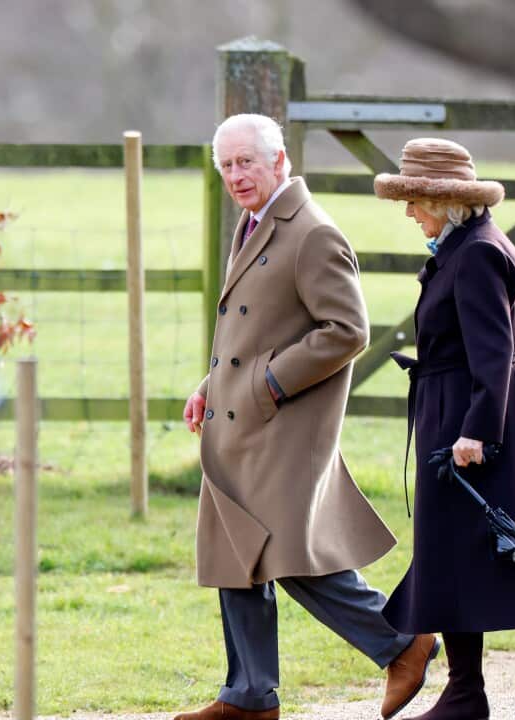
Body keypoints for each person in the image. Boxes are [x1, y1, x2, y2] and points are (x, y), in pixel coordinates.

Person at [175, 114, 439, 720]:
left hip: (282, 426)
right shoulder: (253, 224)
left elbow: (347, 330)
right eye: (227, 165)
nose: (236, 175)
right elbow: (251, 328)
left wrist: (267, 383)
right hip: (238, 421)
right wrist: (211, 383)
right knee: (235, 552)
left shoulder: (311, 232)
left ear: (279, 161)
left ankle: (404, 643)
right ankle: (248, 696)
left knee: (280, 553)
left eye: (247, 162)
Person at [373, 138, 515, 719]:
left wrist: (475, 433)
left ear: (445, 200)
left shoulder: (475, 254)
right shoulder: (462, 245)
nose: (408, 212)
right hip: (455, 406)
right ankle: (493, 679)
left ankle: (505, 673)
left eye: (414, 199)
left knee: (484, 546)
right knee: (461, 550)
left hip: (473, 414)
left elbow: (494, 353)